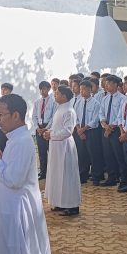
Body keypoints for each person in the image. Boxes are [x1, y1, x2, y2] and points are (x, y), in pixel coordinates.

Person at [0, 94, 52, 254]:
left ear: (15, 115)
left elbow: (14, 179)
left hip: (17, 211)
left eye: (1, 114)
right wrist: (1, 159)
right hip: (11, 208)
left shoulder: (21, 141)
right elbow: (13, 170)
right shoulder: (15, 139)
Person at [44, 86, 81, 216]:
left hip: (65, 147)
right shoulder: (60, 108)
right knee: (58, 175)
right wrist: (48, 132)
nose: (55, 95)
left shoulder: (69, 111)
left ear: (64, 96)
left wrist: (51, 134)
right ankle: (61, 202)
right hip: (56, 147)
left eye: (58, 93)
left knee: (67, 176)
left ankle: (72, 205)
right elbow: (55, 126)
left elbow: (67, 131)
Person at [99, 75, 125, 187]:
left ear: (115, 84)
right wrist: (105, 125)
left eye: (108, 83)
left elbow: (120, 115)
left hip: (117, 130)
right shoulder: (104, 99)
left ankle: (123, 178)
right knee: (107, 154)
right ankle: (111, 177)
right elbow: (101, 113)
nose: (106, 85)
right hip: (106, 129)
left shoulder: (122, 98)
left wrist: (111, 127)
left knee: (119, 154)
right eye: (105, 83)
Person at [75, 80, 101, 185]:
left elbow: (95, 120)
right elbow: (75, 117)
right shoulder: (78, 102)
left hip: (91, 132)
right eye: (80, 89)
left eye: (84, 89)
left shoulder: (96, 103)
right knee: (82, 154)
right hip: (80, 131)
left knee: (93, 154)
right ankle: (82, 175)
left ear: (90, 90)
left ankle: (96, 177)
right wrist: (78, 130)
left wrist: (84, 129)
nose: (82, 92)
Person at [33, 81, 56, 180]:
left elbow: (53, 117)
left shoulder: (53, 102)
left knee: (50, 151)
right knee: (41, 152)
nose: (43, 91)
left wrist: (46, 128)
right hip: (39, 129)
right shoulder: (37, 102)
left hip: (48, 128)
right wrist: (37, 128)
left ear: (49, 89)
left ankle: (52, 172)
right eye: (41, 89)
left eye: (45, 89)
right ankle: (43, 172)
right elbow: (34, 116)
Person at [0, 83, 13, 151]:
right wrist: (3, 128)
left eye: (5, 90)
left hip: (11, 130)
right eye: (2, 90)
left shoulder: (14, 103)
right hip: (0, 130)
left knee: (11, 149)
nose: (3, 91)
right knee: (1, 149)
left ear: (10, 91)